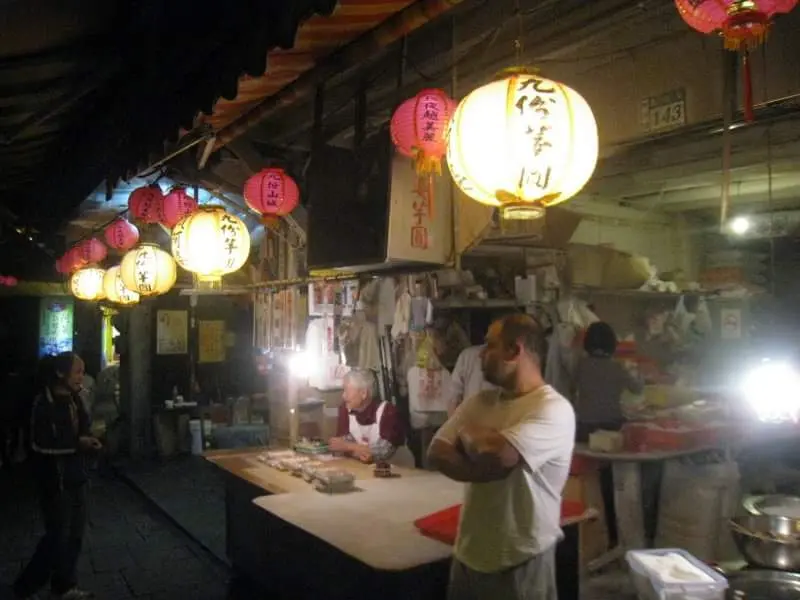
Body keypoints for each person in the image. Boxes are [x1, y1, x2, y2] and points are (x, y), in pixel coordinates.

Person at [427, 314, 575, 600]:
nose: (481, 353)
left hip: (520, 560)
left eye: (489, 345)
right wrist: (483, 466)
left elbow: (499, 454)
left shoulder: (553, 409)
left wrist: (468, 436)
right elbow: (437, 452)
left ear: (514, 351)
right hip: (467, 554)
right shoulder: (480, 402)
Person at [13, 352, 101, 600]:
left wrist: (92, 438)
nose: (81, 377)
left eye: (83, 372)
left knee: (75, 534)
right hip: (54, 481)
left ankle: (64, 585)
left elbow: (84, 428)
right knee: (56, 537)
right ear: (60, 374)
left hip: (77, 476)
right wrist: (79, 443)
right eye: (77, 372)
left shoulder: (75, 399)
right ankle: (25, 588)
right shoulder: (43, 403)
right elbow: (41, 443)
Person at [573, 321, 643, 441]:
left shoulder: (579, 365)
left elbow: (571, 388)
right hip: (611, 425)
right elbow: (637, 389)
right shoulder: (617, 367)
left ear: (587, 343)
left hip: (583, 427)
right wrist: (638, 374)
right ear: (612, 344)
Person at [328, 369, 412, 466]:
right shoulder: (345, 409)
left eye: (346, 390)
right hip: (368, 470)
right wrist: (351, 448)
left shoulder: (388, 411)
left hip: (399, 470)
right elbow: (342, 444)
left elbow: (384, 451)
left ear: (364, 393)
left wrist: (348, 446)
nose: (343, 396)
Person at [446, 344, 497, 416]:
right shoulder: (467, 356)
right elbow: (454, 399)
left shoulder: (468, 355)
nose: (481, 355)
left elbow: (453, 398)